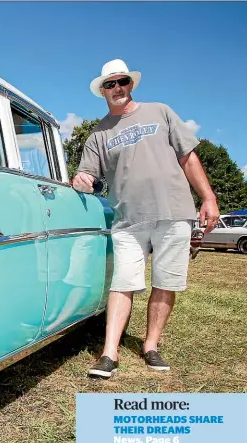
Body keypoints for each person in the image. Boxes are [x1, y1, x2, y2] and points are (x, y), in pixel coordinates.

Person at [72, 59, 220, 379]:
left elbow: (188, 157)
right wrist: (81, 179)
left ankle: (151, 345)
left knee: (166, 282)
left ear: (131, 84)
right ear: (102, 91)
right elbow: (87, 172)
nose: (117, 88)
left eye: (121, 81)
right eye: (109, 84)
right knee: (123, 282)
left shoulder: (160, 112)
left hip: (174, 211)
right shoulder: (98, 134)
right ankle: (109, 353)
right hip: (128, 219)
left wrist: (208, 197)